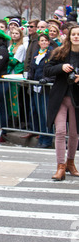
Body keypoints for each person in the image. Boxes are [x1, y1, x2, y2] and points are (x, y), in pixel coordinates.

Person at [44, 25, 79, 181]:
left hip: (76, 98)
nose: (76, 37)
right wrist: (61, 67)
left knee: (74, 133)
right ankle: (60, 167)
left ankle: (71, 163)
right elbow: (47, 69)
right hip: (60, 97)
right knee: (60, 132)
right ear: (69, 36)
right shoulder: (60, 52)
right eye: (74, 34)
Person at [28, 30, 53, 148]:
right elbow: (32, 68)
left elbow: (51, 70)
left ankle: (47, 139)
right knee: (39, 114)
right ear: (38, 42)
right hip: (35, 86)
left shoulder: (51, 54)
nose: (43, 42)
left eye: (45, 41)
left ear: (48, 42)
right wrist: (29, 77)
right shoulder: (37, 54)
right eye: (41, 40)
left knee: (45, 114)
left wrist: (46, 79)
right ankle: (42, 137)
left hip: (46, 88)